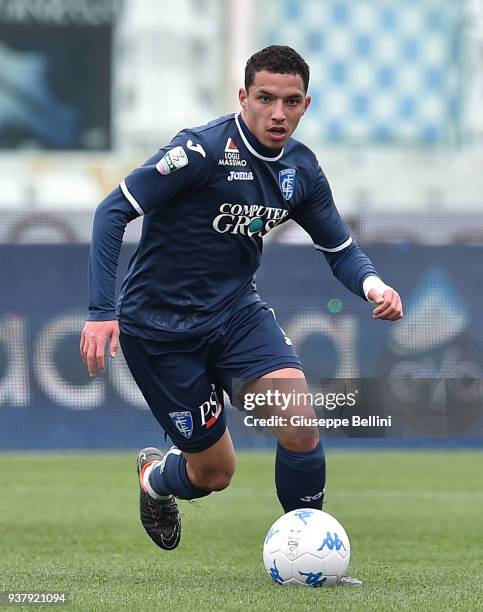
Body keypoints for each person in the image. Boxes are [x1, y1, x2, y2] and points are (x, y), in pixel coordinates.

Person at [81, 45, 402, 586]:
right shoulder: (200, 151)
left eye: (291, 101)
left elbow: (340, 247)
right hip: (160, 332)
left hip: (235, 316)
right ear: (243, 97)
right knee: (215, 473)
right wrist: (100, 311)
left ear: (306, 104)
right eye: (265, 98)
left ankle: (308, 556)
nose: (278, 112)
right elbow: (112, 210)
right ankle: (156, 481)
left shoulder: (300, 170)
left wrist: (373, 284)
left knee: (299, 423)